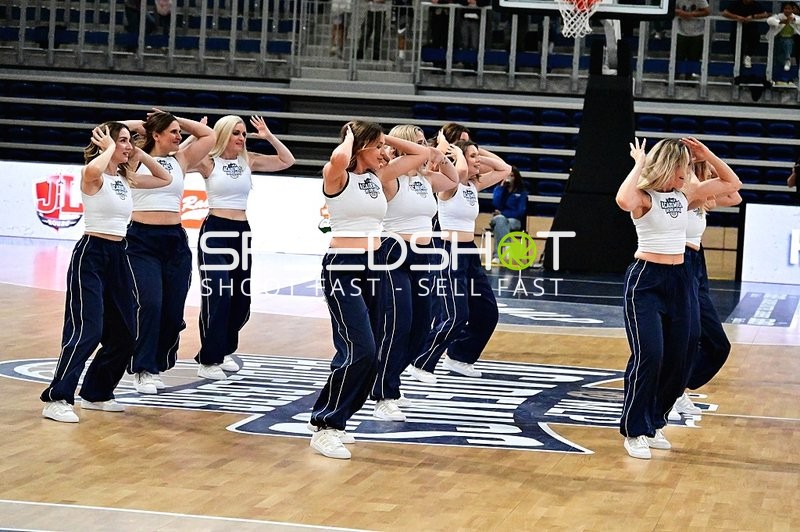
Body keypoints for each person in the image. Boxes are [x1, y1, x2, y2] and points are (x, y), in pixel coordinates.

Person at [308, 120, 428, 459]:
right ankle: (326, 426)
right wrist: (351, 137)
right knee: (359, 348)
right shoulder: (338, 177)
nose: (385, 152)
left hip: (376, 265)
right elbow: (336, 160)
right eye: (377, 147)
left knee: (370, 351)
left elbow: (420, 153)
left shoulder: (379, 176)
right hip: (343, 266)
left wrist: (381, 136)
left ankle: (334, 418)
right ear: (360, 148)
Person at [615, 137, 741, 460]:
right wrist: (639, 165)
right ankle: (634, 430)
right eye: (683, 167)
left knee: (681, 356)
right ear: (669, 167)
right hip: (647, 280)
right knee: (651, 355)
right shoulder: (645, 197)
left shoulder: (685, 195)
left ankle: (655, 420)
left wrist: (706, 154)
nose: (688, 173)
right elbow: (623, 200)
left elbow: (732, 183)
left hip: (681, 280)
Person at [40, 122, 172, 423]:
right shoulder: (93, 175)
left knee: (126, 332)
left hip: (119, 254)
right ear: (108, 145)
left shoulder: (126, 178)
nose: (128, 146)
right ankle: (57, 398)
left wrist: (136, 150)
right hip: (92, 254)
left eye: (129, 141)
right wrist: (111, 147)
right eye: (123, 141)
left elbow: (164, 178)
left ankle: (96, 393)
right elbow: (92, 171)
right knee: (88, 329)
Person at [188, 115, 295, 380]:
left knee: (241, 299)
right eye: (236, 133)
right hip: (215, 231)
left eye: (244, 134)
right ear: (223, 134)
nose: (241, 138)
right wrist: (195, 134)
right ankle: (208, 359)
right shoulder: (208, 161)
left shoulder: (249, 160)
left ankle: (224, 350)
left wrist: (268, 136)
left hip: (242, 233)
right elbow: (179, 158)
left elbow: (287, 160)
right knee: (218, 296)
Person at [122, 110, 215, 394]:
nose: (179, 136)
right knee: (150, 304)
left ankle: (158, 361)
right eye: (172, 132)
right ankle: (144, 368)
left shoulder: (181, 159)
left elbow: (208, 136)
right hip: (140, 241)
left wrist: (172, 117)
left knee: (173, 314)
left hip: (174, 241)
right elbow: (106, 130)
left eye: (179, 131)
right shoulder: (132, 156)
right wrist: (142, 124)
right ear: (156, 135)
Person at [371, 126, 459, 422]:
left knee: (422, 326)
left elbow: (453, 179)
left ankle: (391, 379)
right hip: (393, 253)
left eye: (427, 144)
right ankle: (383, 394)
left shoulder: (425, 180)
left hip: (426, 253)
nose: (427, 149)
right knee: (398, 324)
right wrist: (395, 142)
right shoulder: (389, 176)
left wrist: (442, 157)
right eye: (420, 145)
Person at [408, 139, 511, 383]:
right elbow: (462, 170)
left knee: (487, 311)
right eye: (473, 156)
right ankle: (420, 362)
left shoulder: (472, 186)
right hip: (447, 251)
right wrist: (460, 155)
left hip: (468, 252)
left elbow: (504, 169)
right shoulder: (449, 185)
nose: (478, 161)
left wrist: (477, 153)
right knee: (455, 315)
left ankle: (459, 357)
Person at [669, 159, 742, 421]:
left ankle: (674, 388)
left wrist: (709, 160)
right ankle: (672, 390)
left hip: (698, 263)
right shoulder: (685, 192)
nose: (713, 173)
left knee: (715, 344)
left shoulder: (703, 193)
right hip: (681, 261)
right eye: (708, 169)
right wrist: (698, 165)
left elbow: (734, 195)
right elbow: (725, 190)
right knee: (698, 337)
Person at [490, 165, 528, 264]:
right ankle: (507, 245)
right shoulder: (499, 189)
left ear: (516, 178)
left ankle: (497, 256)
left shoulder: (522, 193)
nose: (509, 178)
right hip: (498, 219)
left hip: (514, 220)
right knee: (500, 220)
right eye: (507, 175)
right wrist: (501, 188)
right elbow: (496, 204)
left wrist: (503, 213)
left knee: (500, 223)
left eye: (512, 176)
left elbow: (520, 212)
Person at [722, 0, 770, 69]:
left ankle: (748, 56)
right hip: (737, 30)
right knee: (735, 48)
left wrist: (753, 16)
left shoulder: (756, 4)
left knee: (755, 39)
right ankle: (737, 67)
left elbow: (765, 14)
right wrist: (737, 17)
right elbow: (725, 13)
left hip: (751, 30)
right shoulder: (736, 3)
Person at [674, 0, 710, 80]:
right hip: (681, 31)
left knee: (693, 58)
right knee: (678, 57)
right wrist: (680, 12)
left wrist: (691, 14)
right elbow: (669, 9)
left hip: (697, 32)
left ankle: (689, 78)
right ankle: (674, 77)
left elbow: (707, 11)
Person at [766, 2, 800, 80]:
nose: (787, 11)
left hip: (790, 39)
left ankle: (788, 59)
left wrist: (793, 20)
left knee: (787, 42)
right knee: (776, 57)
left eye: (789, 9)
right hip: (777, 39)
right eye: (785, 8)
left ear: (792, 9)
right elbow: (769, 20)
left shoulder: (795, 17)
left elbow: (798, 20)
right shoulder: (779, 16)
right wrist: (781, 22)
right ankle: (773, 77)